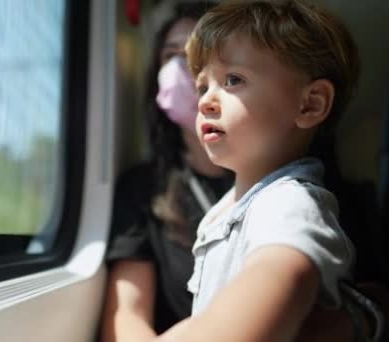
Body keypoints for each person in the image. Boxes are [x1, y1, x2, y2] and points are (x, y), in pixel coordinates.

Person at [156, 0, 371, 341]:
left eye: (233, 80)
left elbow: (271, 286)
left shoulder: (288, 201)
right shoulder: (228, 209)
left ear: (310, 104)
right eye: (203, 86)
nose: (205, 101)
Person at [101, 3, 232, 341]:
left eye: (194, 53)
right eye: (169, 55)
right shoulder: (142, 189)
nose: (178, 67)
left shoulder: (291, 182)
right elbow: (126, 315)